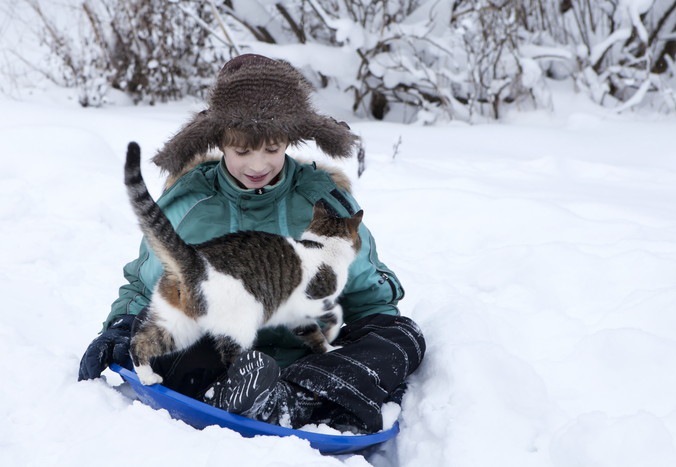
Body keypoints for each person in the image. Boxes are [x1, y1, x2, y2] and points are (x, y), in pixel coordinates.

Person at [78, 54, 426, 434]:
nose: (257, 164)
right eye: (242, 151)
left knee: (403, 335)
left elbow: (369, 298)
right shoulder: (188, 202)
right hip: (217, 354)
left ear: (289, 141)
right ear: (220, 141)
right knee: (176, 330)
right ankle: (259, 394)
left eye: (272, 149)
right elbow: (146, 285)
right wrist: (121, 324)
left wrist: (372, 357)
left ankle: (290, 399)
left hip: (306, 360)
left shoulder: (323, 203)